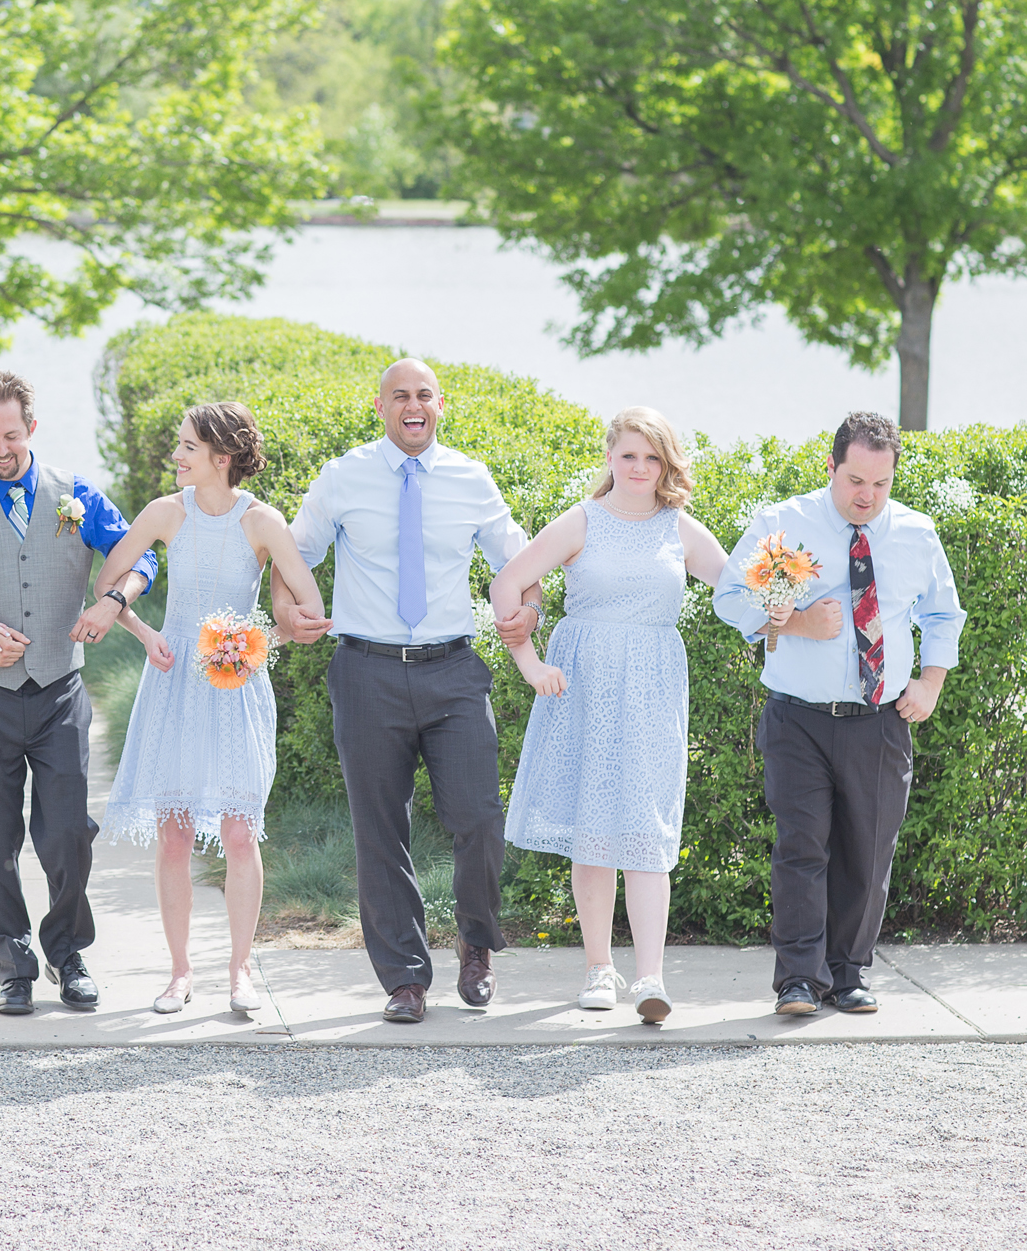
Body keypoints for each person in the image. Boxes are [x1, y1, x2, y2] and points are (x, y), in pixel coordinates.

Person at [276, 358, 539, 1024]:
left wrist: (528, 609)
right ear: (380, 406)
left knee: (478, 815)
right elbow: (290, 552)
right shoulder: (343, 477)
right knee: (379, 827)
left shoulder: (470, 479)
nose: (412, 405)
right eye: (400, 396)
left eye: (424, 395)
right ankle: (404, 978)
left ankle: (477, 946)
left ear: (440, 405)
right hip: (366, 671)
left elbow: (521, 559)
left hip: (453, 669)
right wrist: (286, 609)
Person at [0, 370, 158, 1016]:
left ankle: (68, 952)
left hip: (58, 687)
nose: (0, 448)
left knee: (69, 827)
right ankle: (12, 962)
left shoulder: (76, 496)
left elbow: (141, 559)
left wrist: (110, 601)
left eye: (11, 434)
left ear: (33, 429)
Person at [714, 412, 965, 1017]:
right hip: (797, 717)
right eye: (855, 480)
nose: (866, 496)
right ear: (831, 466)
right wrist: (797, 620)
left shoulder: (915, 532)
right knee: (802, 848)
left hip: (880, 721)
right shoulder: (782, 524)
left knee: (868, 851)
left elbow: (942, 615)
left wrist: (929, 683)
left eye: (880, 485)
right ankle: (798, 980)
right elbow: (730, 598)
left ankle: (848, 973)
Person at [491, 407, 730, 1022]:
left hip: (652, 686)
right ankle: (599, 967)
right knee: (594, 828)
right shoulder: (582, 520)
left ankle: (651, 978)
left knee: (647, 831)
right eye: (630, 456)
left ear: (666, 464)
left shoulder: (679, 529)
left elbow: (737, 592)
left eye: (653, 458)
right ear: (610, 458)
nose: (641, 468)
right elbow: (508, 584)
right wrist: (531, 664)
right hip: (585, 684)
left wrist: (785, 596)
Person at [97, 403, 326, 1015]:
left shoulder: (263, 522)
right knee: (173, 833)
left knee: (238, 830)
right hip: (172, 684)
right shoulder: (165, 513)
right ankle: (178, 973)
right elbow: (109, 584)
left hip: (235, 689)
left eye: (187, 448)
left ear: (221, 459)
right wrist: (147, 636)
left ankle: (241, 969)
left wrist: (256, 645)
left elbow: (310, 613)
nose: (175, 455)